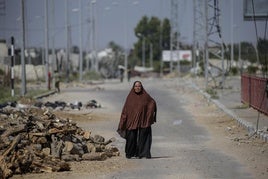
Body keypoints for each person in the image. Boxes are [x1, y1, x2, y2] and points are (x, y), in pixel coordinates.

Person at [117, 81, 157, 159]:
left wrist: (149, 114)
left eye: (139, 86)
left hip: (143, 119)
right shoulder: (130, 97)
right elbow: (125, 110)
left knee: (144, 135)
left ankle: (143, 153)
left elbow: (152, 102)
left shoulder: (145, 96)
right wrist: (123, 121)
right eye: (136, 86)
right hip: (131, 120)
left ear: (141, 87)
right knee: (131, 136)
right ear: (133, 87)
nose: (137, 88)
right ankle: (130, 153)